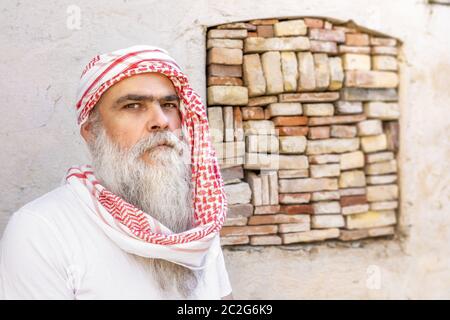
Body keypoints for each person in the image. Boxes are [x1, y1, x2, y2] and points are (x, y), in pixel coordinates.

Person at [0, 45, 233, 300]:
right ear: (92, 132)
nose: (161, 121)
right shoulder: (42, 230)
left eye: (169, 105)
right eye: (133, 106)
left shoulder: (199, 221)